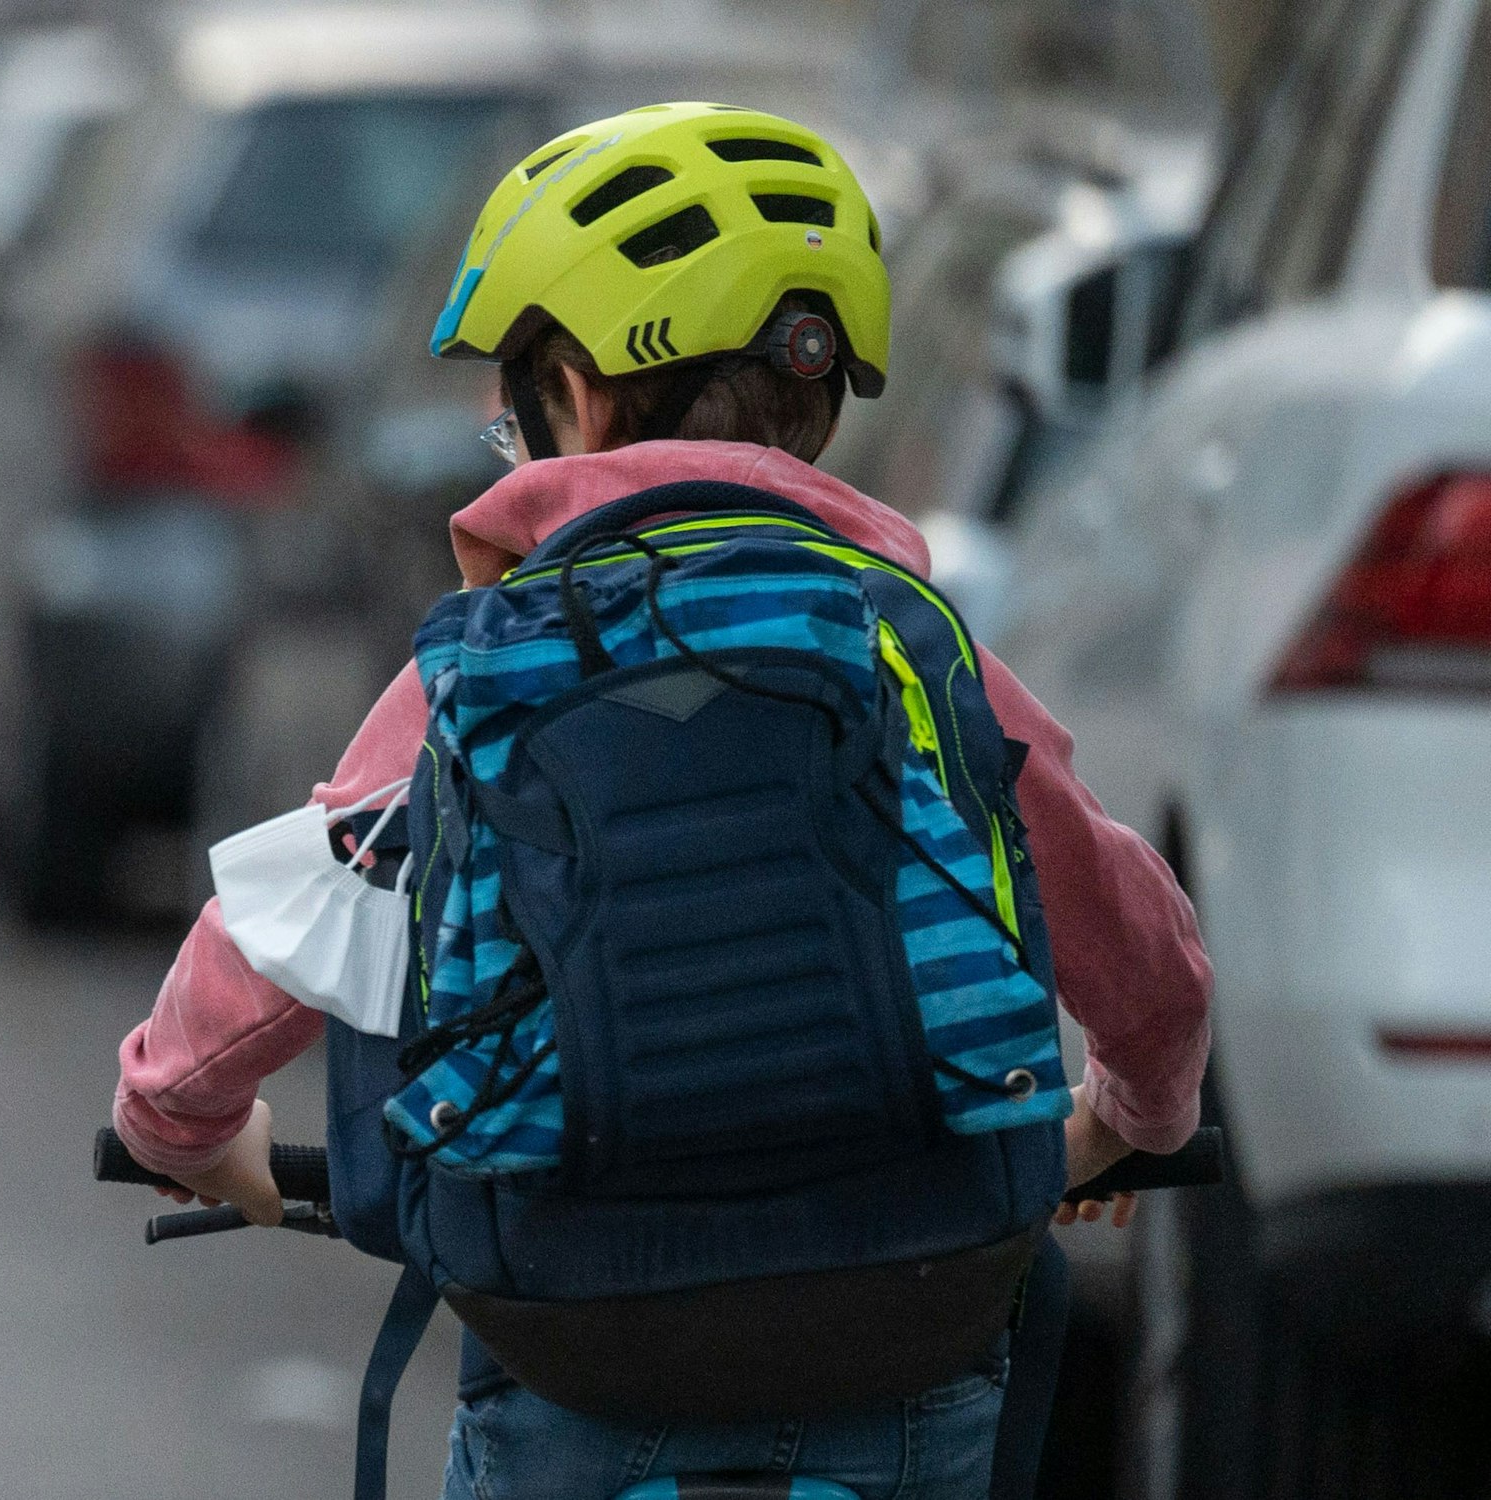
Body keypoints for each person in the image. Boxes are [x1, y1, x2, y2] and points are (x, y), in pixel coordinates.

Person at [114, 103, 1210, 1499]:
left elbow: (280, 933)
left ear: (572, 397)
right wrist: (1127, 1114)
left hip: (577, 1352)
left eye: (511, 413)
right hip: (910, 1326)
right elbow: (1142, 951)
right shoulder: (908, 647)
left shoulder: (490, 662)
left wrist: (183, 1130)